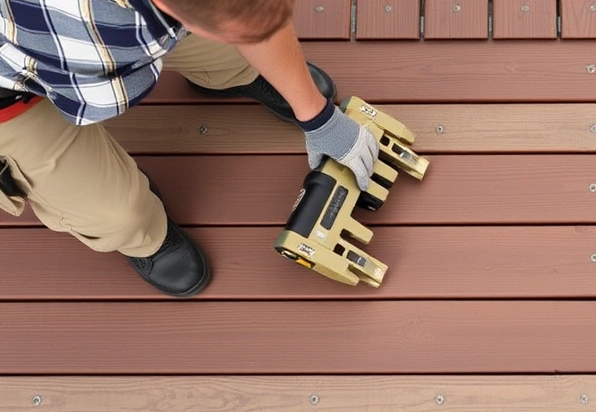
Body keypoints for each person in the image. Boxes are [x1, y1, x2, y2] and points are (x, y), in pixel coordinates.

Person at [0, 0, 379, 297]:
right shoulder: (99, 39)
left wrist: (318, 118)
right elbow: (97, 94)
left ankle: (226, 72)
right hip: (12, 92)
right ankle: (142, 232)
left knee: (242, 47)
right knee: (118, 215)